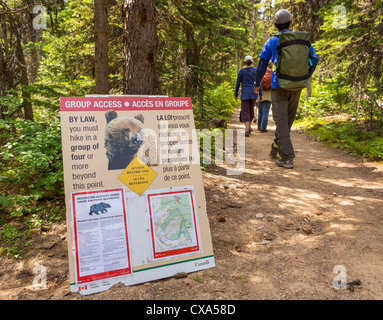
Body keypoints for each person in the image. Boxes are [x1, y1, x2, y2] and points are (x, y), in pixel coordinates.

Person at [254, 9, 318, 169]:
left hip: (279, 86)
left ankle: (287, 157)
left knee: (282, 122)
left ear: (275, 25)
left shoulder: (272, 41)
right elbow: (314, 59)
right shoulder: (302, 41)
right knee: (286, 121)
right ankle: (276, 146)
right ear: (291, 22)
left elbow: (262, 63)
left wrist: (257, 84)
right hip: (297, 86)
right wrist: (306, 75)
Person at [235, 55, 263, 137]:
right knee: (251, 110)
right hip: (253, 93)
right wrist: (260, 94)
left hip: (245, 93)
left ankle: (247, 130)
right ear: (252, 62)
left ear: (245, 62)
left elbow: (237, 84)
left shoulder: (241, 71)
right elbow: (259, 83)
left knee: (245, 111)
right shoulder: (255, 70)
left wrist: (236, 94)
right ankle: (249, 127)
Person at [257, 60, 273, 132]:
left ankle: (258, 126)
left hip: (260, 94)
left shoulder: (261, 72)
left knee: (260, 111)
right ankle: (263, 128)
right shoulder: (273, 73)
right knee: (266, 112)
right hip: (268, 94)